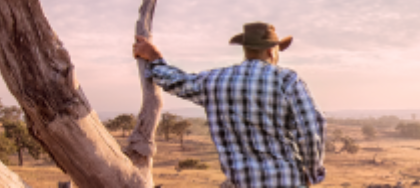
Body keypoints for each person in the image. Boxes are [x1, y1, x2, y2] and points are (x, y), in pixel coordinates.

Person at [132, 22, 326, 187]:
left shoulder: (215, 81)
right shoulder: (287, 80)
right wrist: (313, 171)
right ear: (271, 50)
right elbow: (312, 129)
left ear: (246, 49)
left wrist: (155, 58)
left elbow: (176, 81)